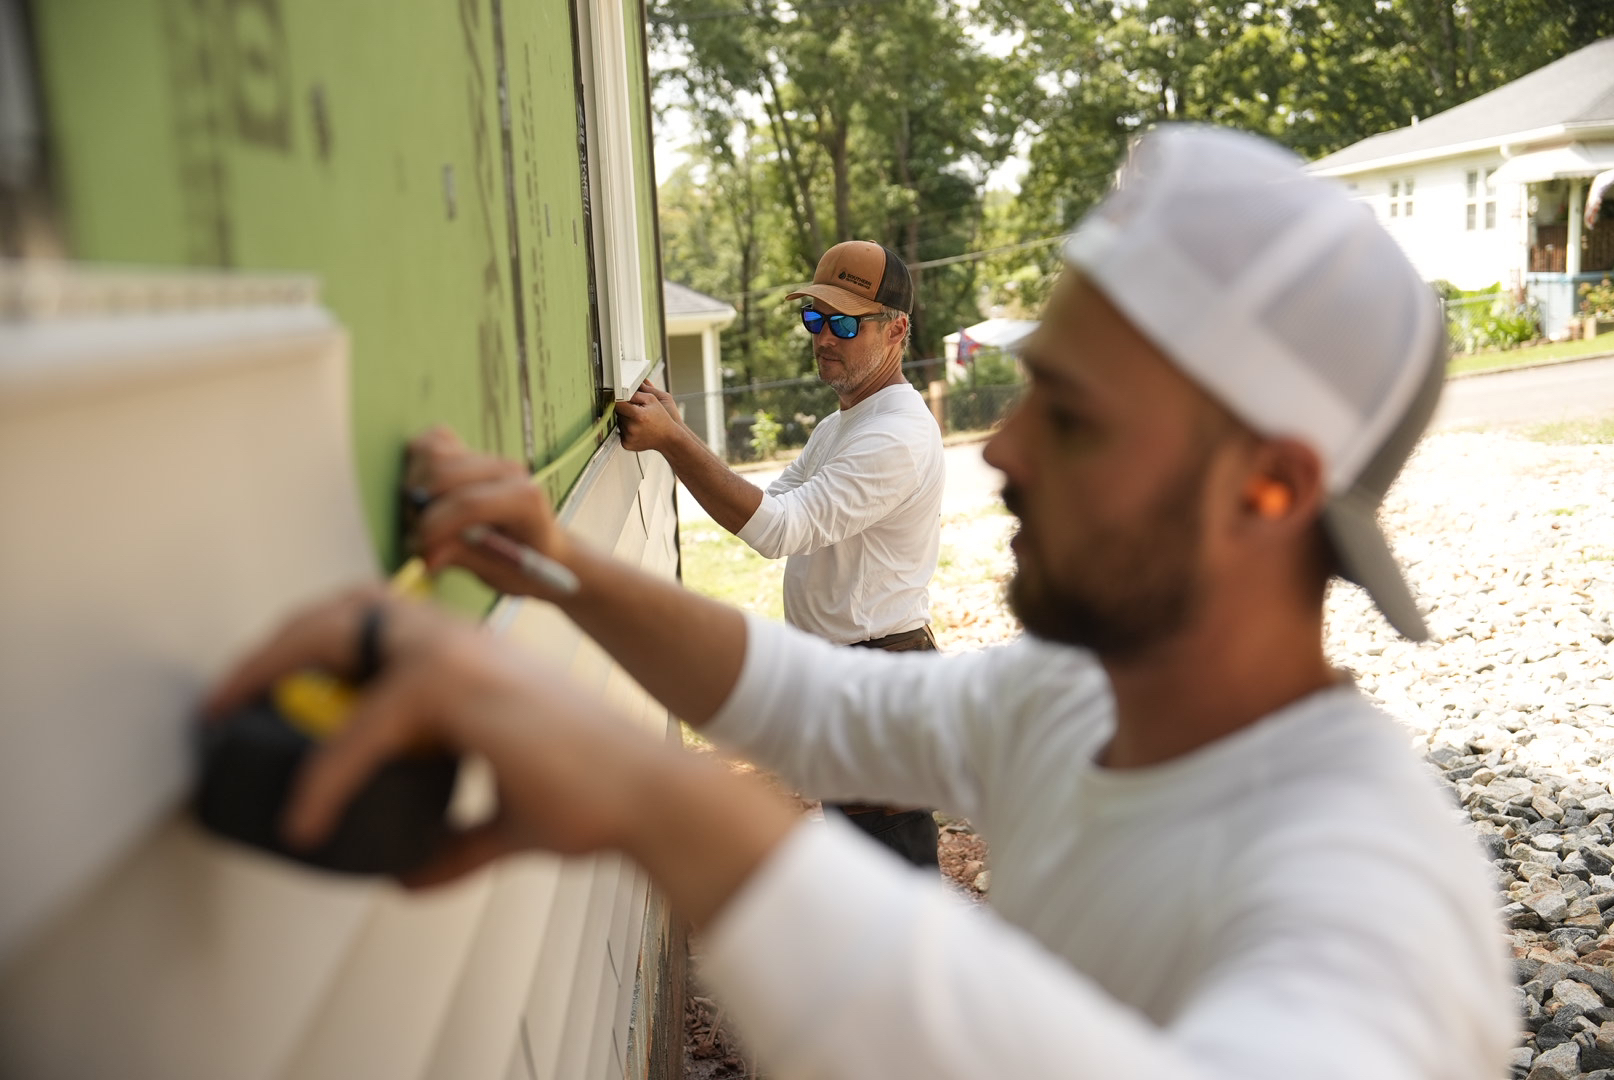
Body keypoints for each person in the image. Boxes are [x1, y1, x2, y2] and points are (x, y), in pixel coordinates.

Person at [212, 126, 1513, 1078]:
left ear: (1272, 493)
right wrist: (546, 558)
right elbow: (806, 696)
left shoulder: (1375, 892)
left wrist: (643, 796)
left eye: (1075, 415)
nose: (1000, 453)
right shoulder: (1072, 701)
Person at [614, 240, 946, 867]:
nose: (825, 337)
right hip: (848, 675)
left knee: (895, 869)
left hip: (880, 678)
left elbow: (778, 530)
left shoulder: (895, 435)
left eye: (846, 323)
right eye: (815, 318)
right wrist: (678, 435)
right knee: (866, 866)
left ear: (897, 329)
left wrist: (673, 442)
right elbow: (767, 506)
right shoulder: (840, 425)